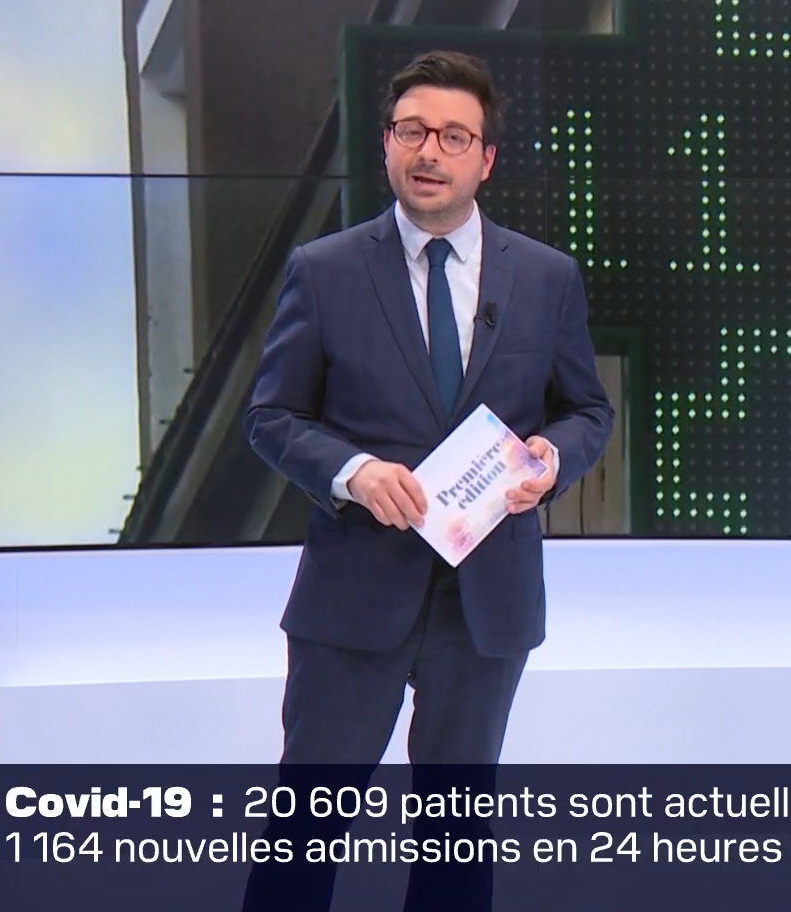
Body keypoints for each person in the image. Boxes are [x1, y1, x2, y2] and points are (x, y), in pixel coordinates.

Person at [241, 50, 613, 911]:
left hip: (486, 602)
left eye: (453, 136)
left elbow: (586, 410)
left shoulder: (545, 277)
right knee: (305, 836)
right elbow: (271, 416)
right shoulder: (325, 270)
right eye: (412, 131)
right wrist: (354, 472)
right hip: (355, 596)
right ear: (386, 145)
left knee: (455, 844)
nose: (430, 152)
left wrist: (552, 459)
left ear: (486, 158)